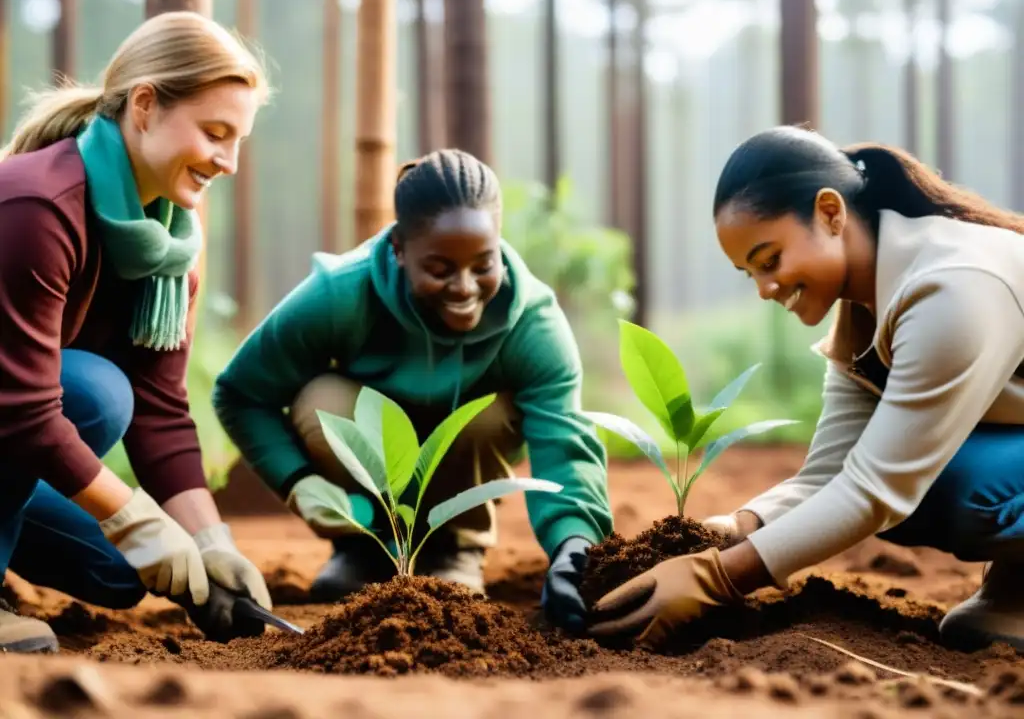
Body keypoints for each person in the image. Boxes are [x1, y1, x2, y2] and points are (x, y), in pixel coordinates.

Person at [588, 124, 1024, 653]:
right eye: (748, 273)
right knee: (915, 472)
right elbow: (827, 475)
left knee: (952, 482)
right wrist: (722, 534)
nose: (766, 289)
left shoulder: (952, 290)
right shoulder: (865, 314)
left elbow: (872, 490)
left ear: (830, 213)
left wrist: (717, 578)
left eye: (770, 260)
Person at [212, 149, 612, 632]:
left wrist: (575, 548)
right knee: (321, 399)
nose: (465, 288)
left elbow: (564, 445)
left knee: (487, 412)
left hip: (469, 452)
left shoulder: (532, 323)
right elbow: (240, 392)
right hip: (367, 461)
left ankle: (455, 549)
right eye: (440, 269)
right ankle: (364, 550)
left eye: (482, 264)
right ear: (399, 249)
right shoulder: (341, 294)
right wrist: (297, 481)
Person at [0, 11, 273, 654]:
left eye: (239, 140)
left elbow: (161, 407)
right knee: (93, 393)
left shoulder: (170, 249)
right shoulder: (37, 207)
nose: (228, 162)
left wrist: (210, 540)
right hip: (13, 414)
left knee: (126, 573)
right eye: (214, 132)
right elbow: (22, 409)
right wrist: (130, 514)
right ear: (146, 105)